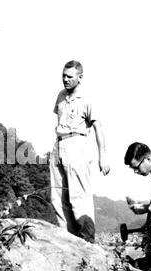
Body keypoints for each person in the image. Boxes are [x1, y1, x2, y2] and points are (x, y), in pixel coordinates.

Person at [49, 60, 110, 243]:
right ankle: (67, 240)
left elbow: (98, 128)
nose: (65, 79)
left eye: (69, 76)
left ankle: (87, 241)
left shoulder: (87, 99)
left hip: (77, 143)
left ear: (79, 77)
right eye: (63, 76)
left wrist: (103, 157)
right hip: (59, 143)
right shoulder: (60, 95)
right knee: (58, 196)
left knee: (79, 196)